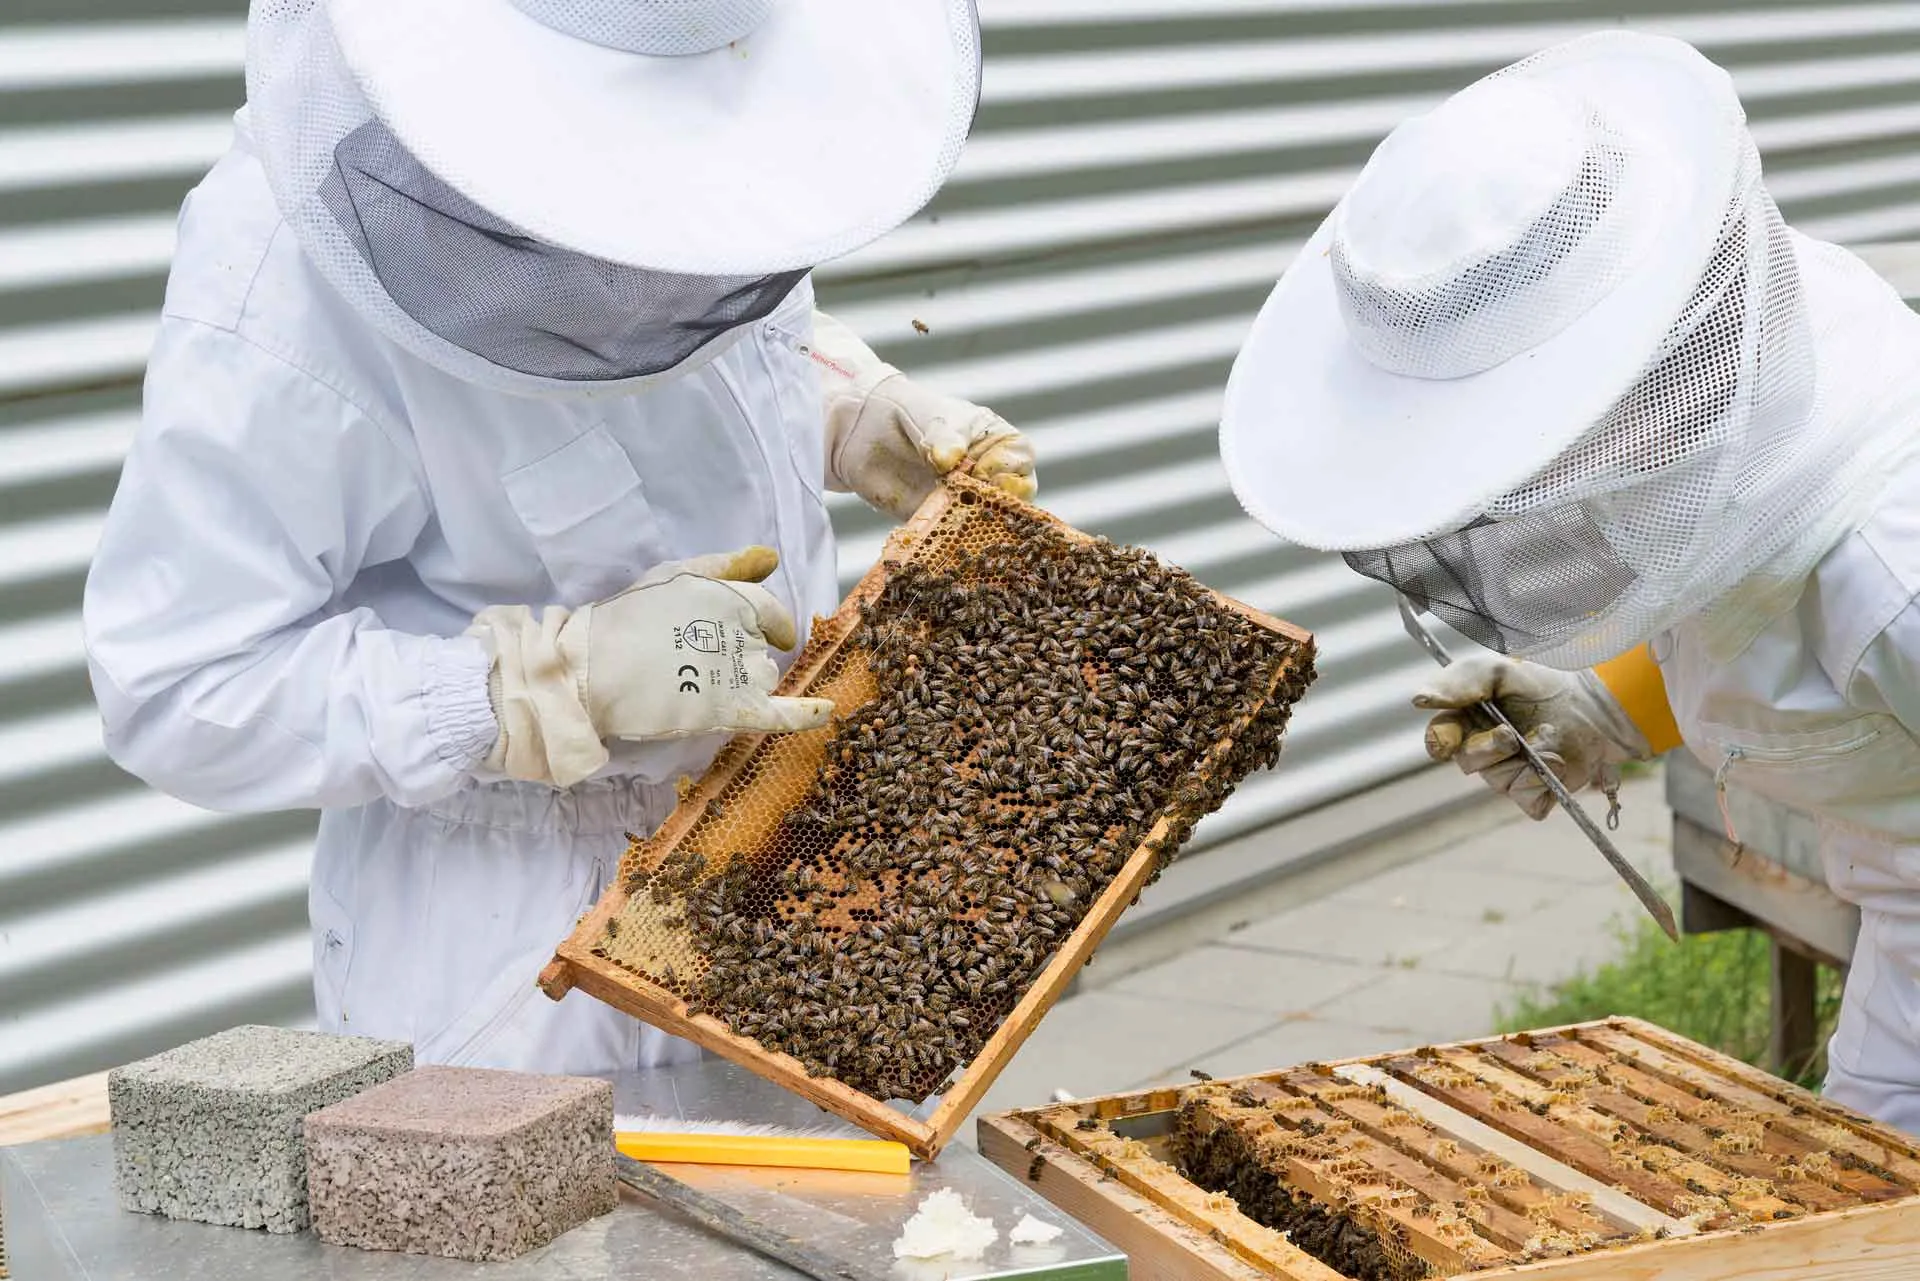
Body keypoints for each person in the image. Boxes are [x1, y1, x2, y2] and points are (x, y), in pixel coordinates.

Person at [80, 0, 1035, 1077]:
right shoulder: (280, 288)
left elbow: (695, 314)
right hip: (515, 969)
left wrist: (845, 402)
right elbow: (176, 686)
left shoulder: (713, 80)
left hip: (800, 869)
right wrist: (539, 687)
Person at [1218, 31, 1920, 1131]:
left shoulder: (1897, 581)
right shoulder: (1725, 455)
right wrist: (1602, 707)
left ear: (1639, 379)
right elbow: (1739, 612)